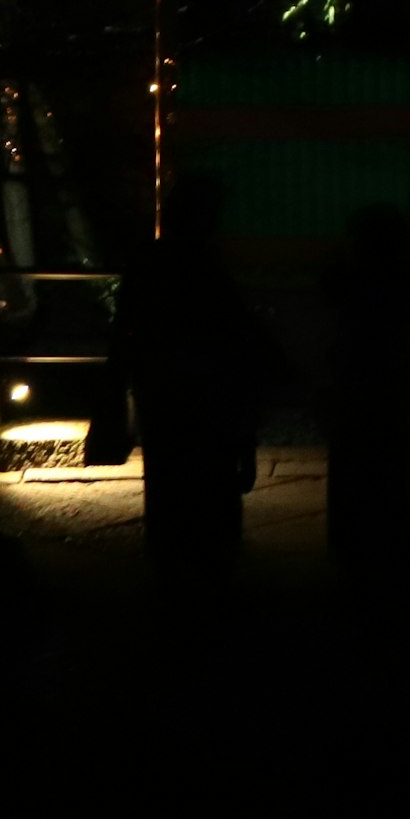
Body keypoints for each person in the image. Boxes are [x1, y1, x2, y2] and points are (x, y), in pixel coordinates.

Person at [114, 173, 285, 627]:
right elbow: (240, 340)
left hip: (166, 398)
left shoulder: (152, 263)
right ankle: (203, 598)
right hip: (205, 403)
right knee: (208, 505)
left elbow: (125, 334)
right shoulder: (206, 270)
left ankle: (176, 592)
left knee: (172, 495)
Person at [318, 203, 410, 582]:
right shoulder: (402, 275)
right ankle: (390, 533)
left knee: (352, 458)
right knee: (389, 458)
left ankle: (351, 535)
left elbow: (325, 297)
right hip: (389, 378)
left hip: (352, 377)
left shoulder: (348, 274)